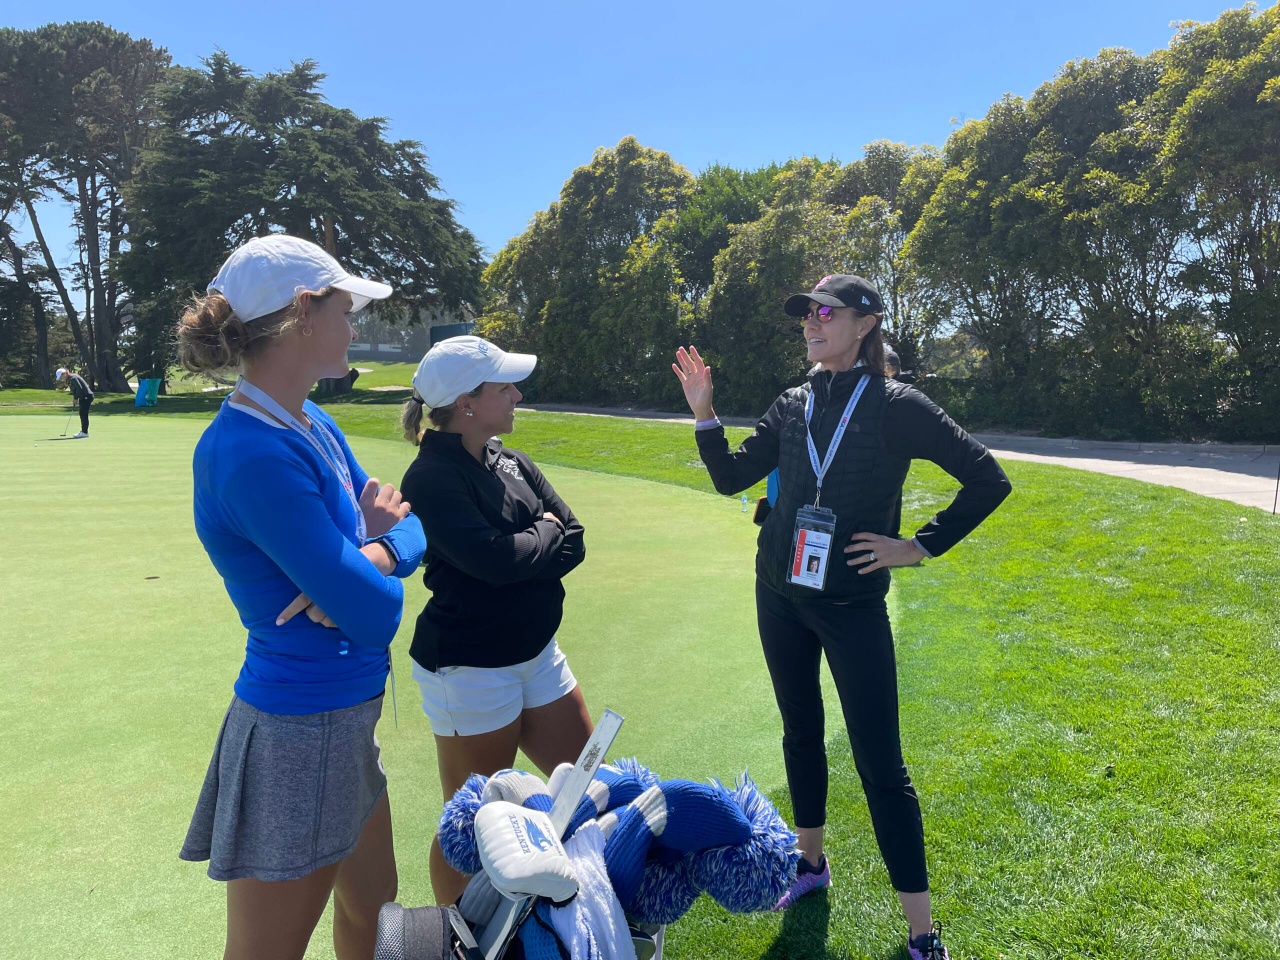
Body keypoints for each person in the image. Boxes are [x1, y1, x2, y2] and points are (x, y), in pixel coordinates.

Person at [672, 274, 1011, 960]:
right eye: (805, 314)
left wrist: (916, 546)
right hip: (780, 595)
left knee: (882, 767)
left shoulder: (898, 405)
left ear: (865, 323)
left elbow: (988, 479)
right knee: (801, 732)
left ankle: (922, 933)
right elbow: (732, 477)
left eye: (825, 312)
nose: (811, 323)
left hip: (853, 607)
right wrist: (705, 413)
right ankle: (811, 862)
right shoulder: (793, 402)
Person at [175, 234, 426, 960]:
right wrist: (371, 565)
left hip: (345, 721)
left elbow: (410, 526)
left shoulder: (314, 423)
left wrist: (370, 553)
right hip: (298, 733)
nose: (355, 328)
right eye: (345, 311)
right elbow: (378, 614)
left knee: (375, 919)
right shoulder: (248, 452)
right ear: (301, 317)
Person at [399, 336, 594, 906]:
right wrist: (543, 533)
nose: (516, 393)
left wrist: (529, 545)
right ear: (466, 402)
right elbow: (496, 562)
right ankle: (452, 935)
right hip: (469, 668)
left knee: (582, 787)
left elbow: (574, 537)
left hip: (536, 652)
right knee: (472, 822)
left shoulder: (508, 458)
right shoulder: (431, 477)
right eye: (503, 385)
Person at [56, 367, 93, 438]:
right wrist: (75, 398)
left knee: (83, 413)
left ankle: (84, 432)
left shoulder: (73, 378)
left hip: (87, 396)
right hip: (84, 396)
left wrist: (76, 398)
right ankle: (84, 431)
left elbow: (79, 388)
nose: (61, 378)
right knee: (82, 413)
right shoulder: (70, 379)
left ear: (64, 374)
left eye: (61, 376)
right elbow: (75, 390)